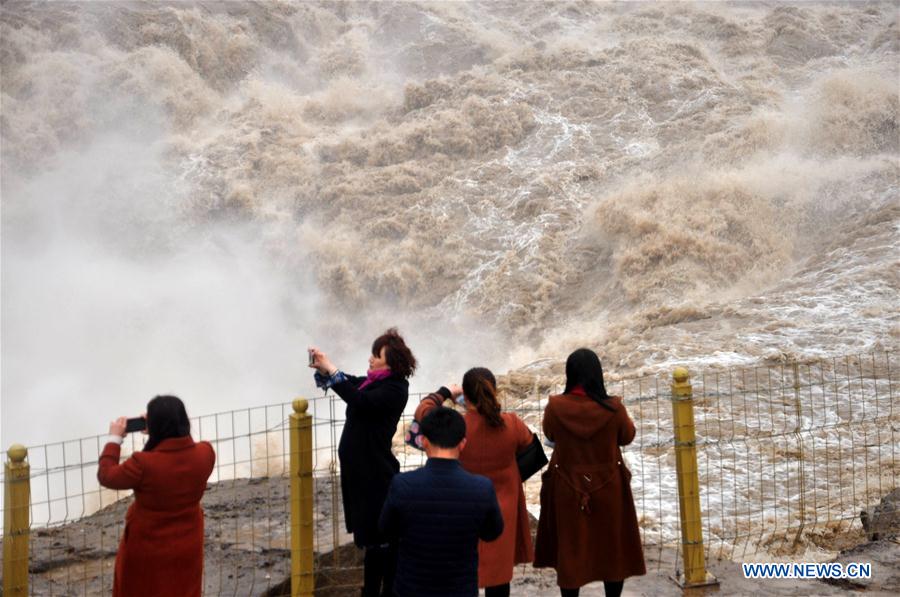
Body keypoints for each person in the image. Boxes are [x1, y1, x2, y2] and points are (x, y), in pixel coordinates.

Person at [309, 327, 416, 597]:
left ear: (391, 362)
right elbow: (349, 383)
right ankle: (373, 591)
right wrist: (324, 368)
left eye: (376, 355)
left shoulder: (394, 389)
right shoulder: (373, 382)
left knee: (380, 539)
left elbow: (359, 400)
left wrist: (332, 370)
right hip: (362, 474)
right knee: (372, 539)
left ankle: (384, 591)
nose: (370, 359)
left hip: (375, 475)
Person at [533, 348, 645, 597]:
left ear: (569, 374)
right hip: (608, 486)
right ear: (598, 374)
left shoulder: (555, 406)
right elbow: (627, 436)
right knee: (611, 550)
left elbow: (550, 435)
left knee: (571, 550)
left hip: (567, 486)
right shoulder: (614, 407)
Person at [414, 368, 534, 597]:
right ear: (494, 391)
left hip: (461, 508)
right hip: (502, 510)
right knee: (499, 579)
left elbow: (423, 411)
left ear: (465, 396)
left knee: (462, 574)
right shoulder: (512, 424)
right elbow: (528, 446)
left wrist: (446, 392)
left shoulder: (456, 426)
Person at [97, 395, 215, 597]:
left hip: (148, 546)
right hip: (188, 543)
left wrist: (114, 439)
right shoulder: (206, 453)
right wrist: (161, 431)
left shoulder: (142, 464)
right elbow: (184, 451)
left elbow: (107, 475)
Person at [379, 407, 504, 597]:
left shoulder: (402, 484)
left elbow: (386, 530)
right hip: (460, 590)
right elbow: (492, 532)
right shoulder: (482, 488)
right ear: (462, 444)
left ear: (424, 442)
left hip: (411, 588)